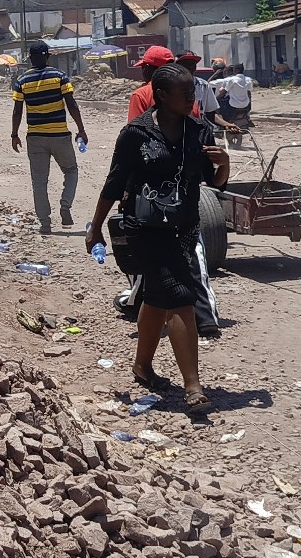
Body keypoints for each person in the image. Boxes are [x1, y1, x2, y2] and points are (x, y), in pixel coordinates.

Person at [87, 62, 226, 408]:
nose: (192, 99)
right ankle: (193, 386)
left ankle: (142, 367)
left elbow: (214, 182)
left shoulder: (199, 131)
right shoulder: (136, 133)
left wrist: (224, 163)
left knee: (156, 296)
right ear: (161, 95)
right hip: (144, 228)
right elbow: (114, 182)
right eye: (184, 94)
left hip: (183, 229)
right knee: (180, 295)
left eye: (193, 93)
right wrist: (95, 227)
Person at [10, 40, 90, 233]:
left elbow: (17, 111)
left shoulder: (22, 80)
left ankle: (45, 223)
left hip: (35, 137)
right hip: (59, 135)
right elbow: (71, 104)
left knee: (39, 181)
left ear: (30, 58)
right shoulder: (60, 76)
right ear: (47, 57)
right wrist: (81, 129)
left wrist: (14, 134)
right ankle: (65, 205)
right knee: (71, 170)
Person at [125, 44, 176, 122]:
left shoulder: (141, 95)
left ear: (147, 68)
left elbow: (134, 128)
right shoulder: (185, 90)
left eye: (143, 67)